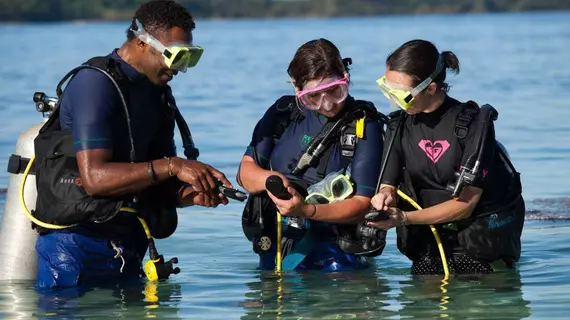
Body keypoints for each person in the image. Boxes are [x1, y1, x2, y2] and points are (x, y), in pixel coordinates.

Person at [33, 0, 232, 290]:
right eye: (176, 56)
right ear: (142, 43)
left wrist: (190, 195)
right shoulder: (94, 84)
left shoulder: (157, 94)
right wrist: (175, 165)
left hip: (129, 246)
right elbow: (95, 180)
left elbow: (158, 178)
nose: (181, 69)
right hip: (74, 248)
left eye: (190, 57)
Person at [368, 39, 525, 275]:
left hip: (479, 249)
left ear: (431, 87)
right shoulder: (398, 126)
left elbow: (465, 204)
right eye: (387, 90)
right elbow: (388, 184)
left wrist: (405, 218)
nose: (394, 101)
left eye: (403, 95)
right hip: (428, 246)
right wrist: (383, 198)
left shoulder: (473, 125)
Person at [237, 38, 387, 272]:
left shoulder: (363, 125)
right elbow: (245, 172)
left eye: (334, 92)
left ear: (345, 79)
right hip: (277, 249)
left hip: (336, 259)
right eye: (314, 97)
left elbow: (362, 204)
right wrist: (273, 182)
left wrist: (307, 211)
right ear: (297, 90)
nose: (327, 105)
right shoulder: (282, 113)